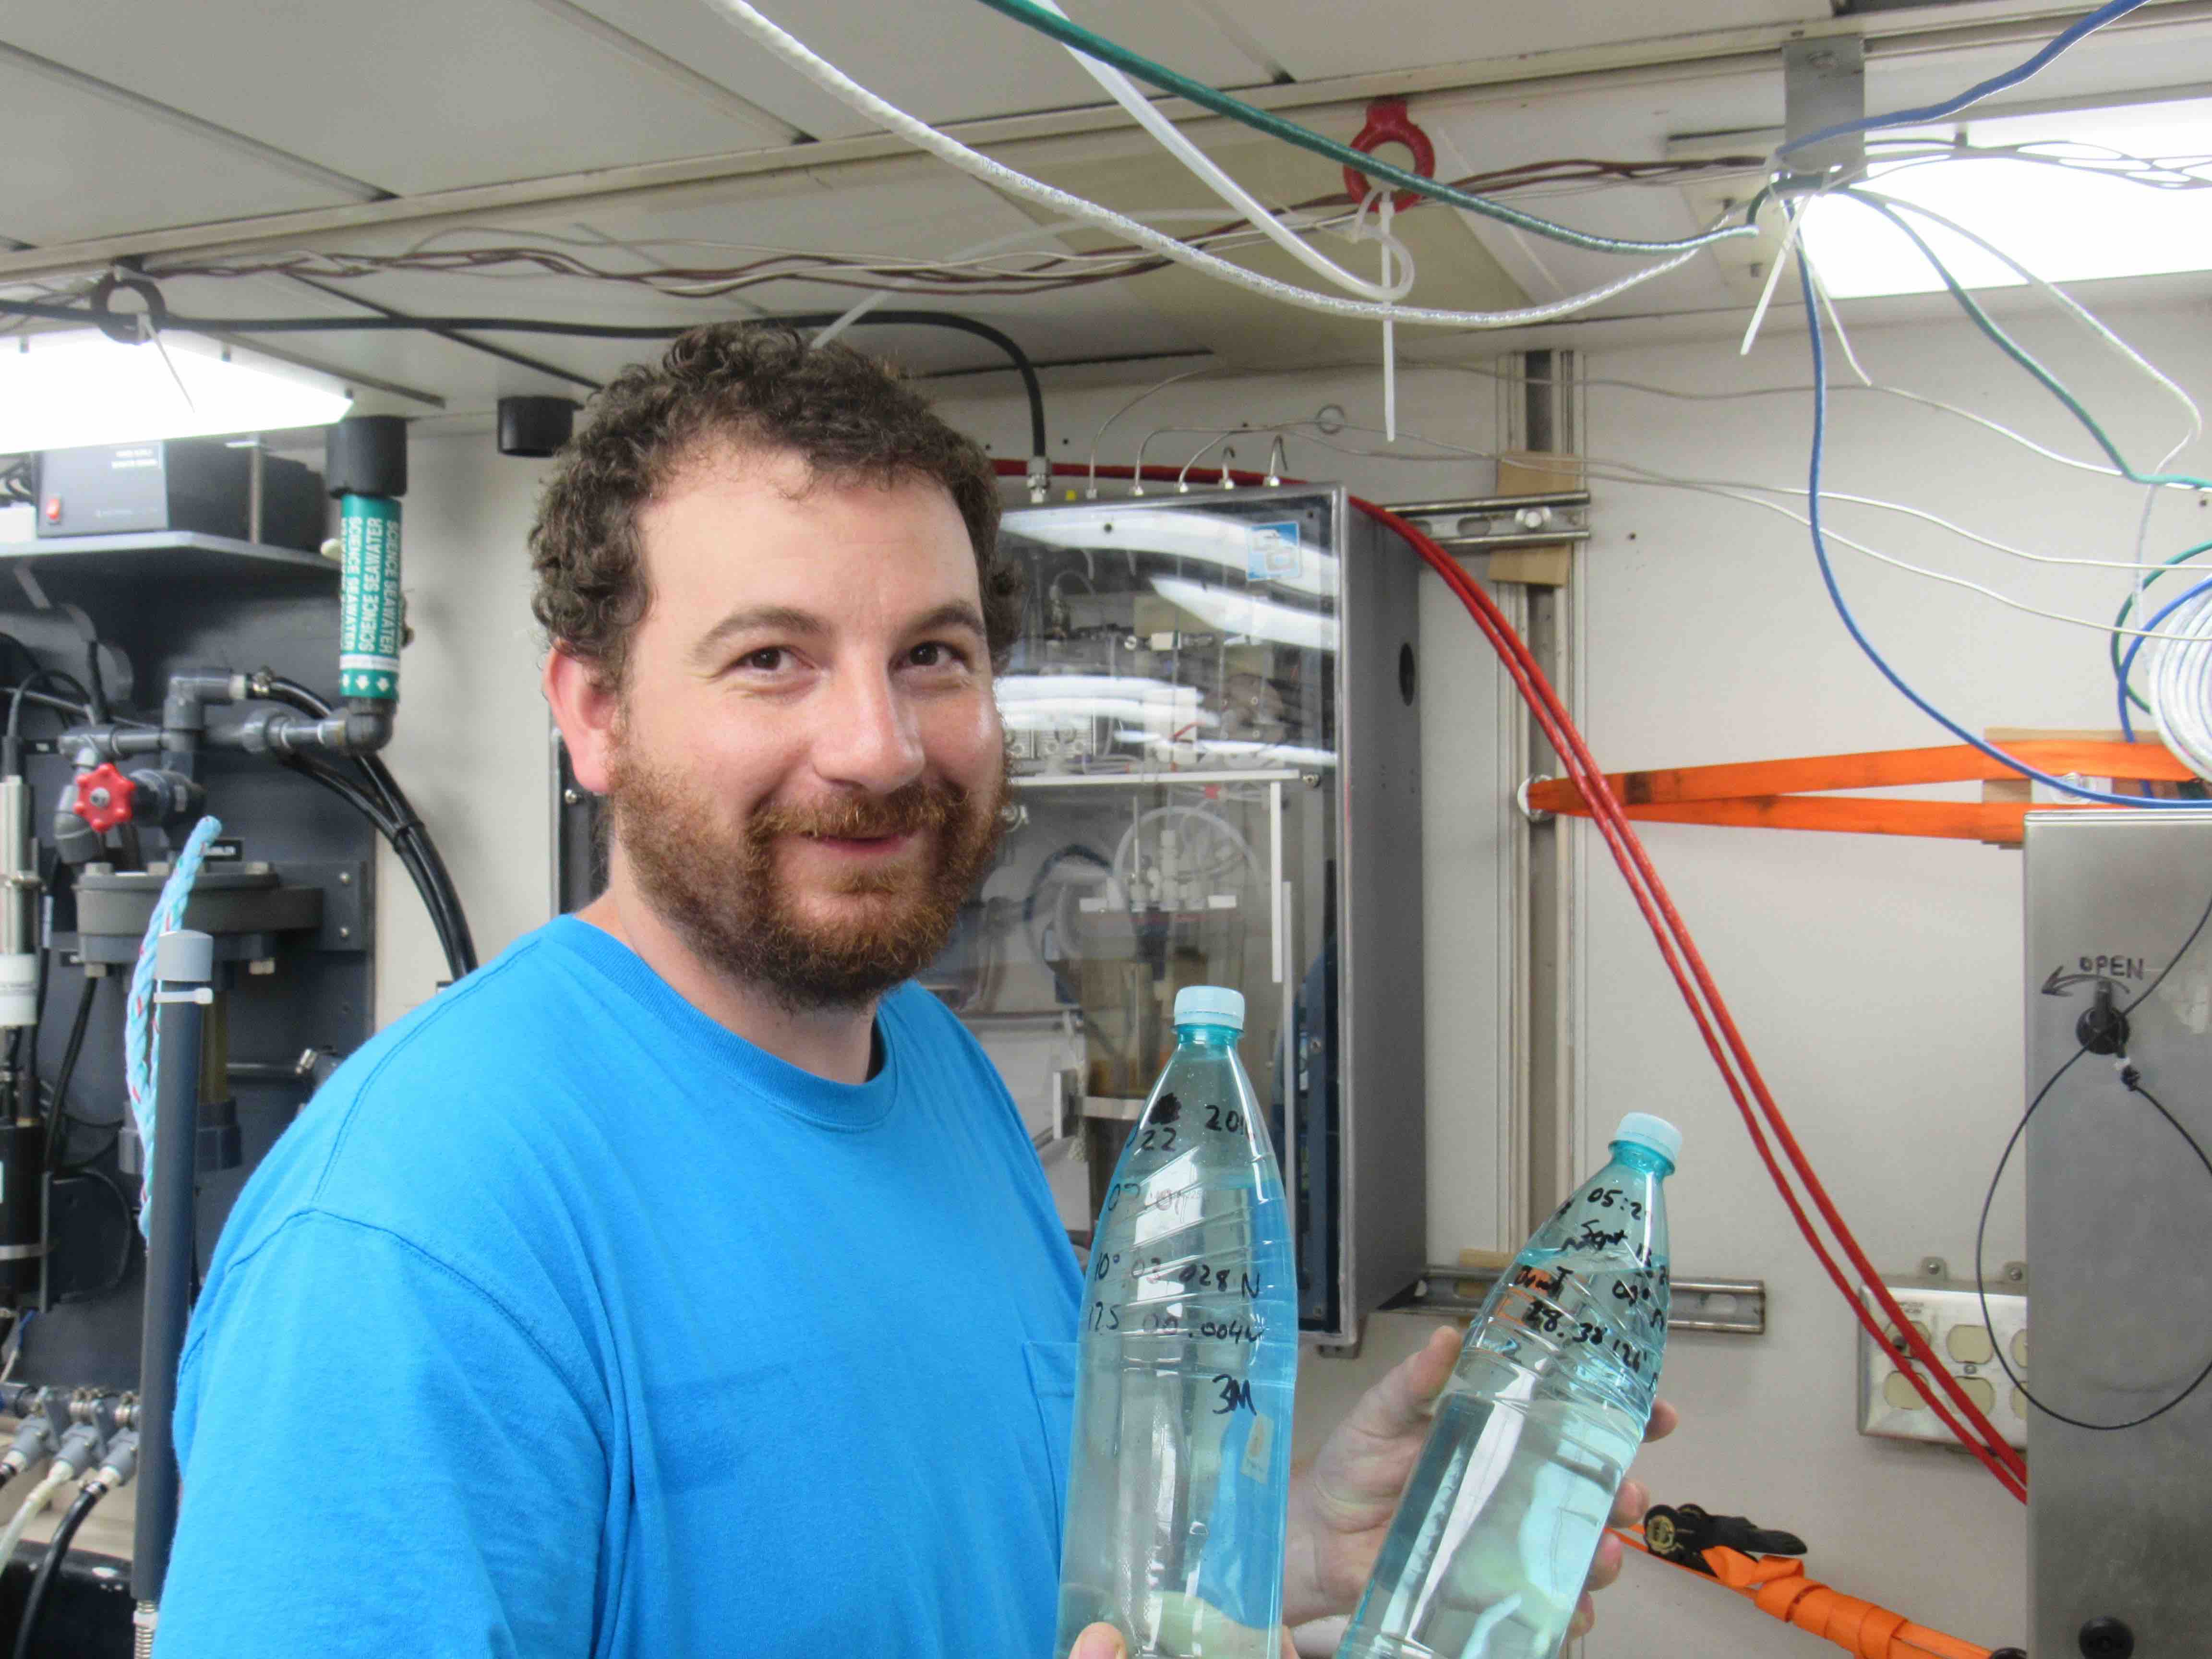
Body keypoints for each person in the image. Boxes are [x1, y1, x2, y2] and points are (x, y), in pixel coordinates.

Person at [155, 324, 1672, 1657]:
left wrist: (1277, 1573)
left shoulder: (933, 1071)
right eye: (771, 659)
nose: (880, 748)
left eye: (932, 655)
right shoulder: (419, 1233)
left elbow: (949, 1580)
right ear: (596, 713)